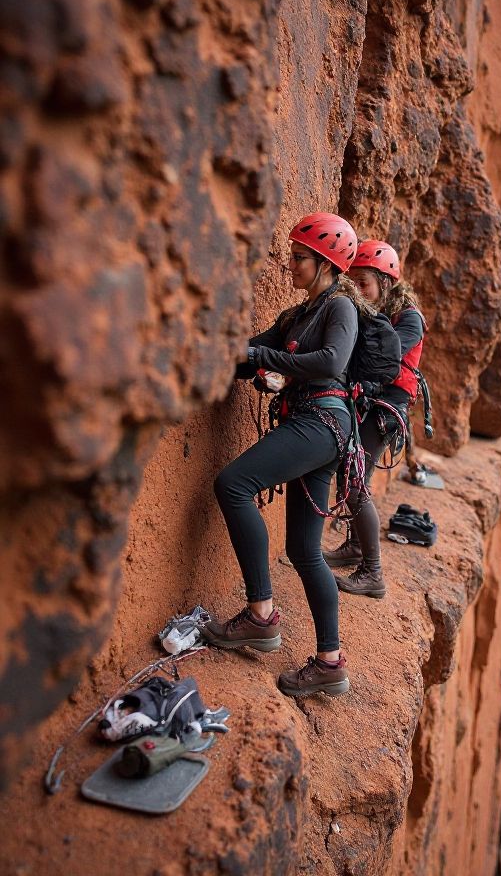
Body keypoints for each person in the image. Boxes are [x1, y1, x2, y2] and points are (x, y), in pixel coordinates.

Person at [204, 212, 372, 699]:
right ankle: (330, 663)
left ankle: (260, 615)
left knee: (233, 484)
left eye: (300, 258)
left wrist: (262, 358)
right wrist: (219, 351)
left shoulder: (341, 306)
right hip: (319, 427)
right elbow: (252, 353)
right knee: (303, 550)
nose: (290, 265)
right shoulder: (298, 315)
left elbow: (331, 361)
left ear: (326, 264)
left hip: (321, 423)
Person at [325, 240, 426, 598]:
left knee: (355, 482)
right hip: (371, 402)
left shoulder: (408, 318)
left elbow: (383, 357)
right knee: (352, 475)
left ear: (385, 282)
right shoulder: (375, 312)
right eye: (352, 282)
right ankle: (355, 547)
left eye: (363, 282)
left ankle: (373, 573)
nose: (358, 289)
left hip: (387, 407)